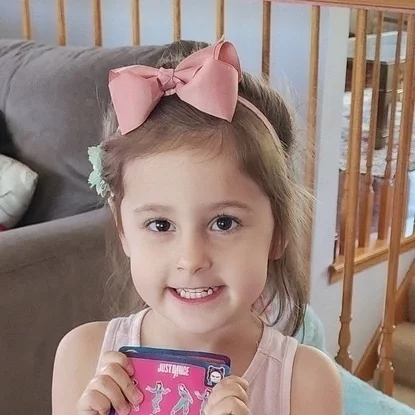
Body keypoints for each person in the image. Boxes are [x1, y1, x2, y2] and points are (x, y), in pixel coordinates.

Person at [51, 38, 342, 415]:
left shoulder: (307, 382)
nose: (191, 260)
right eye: (160, 224)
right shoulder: (83, 357)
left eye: (224, 222)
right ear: (123, 229)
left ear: (279, 231)